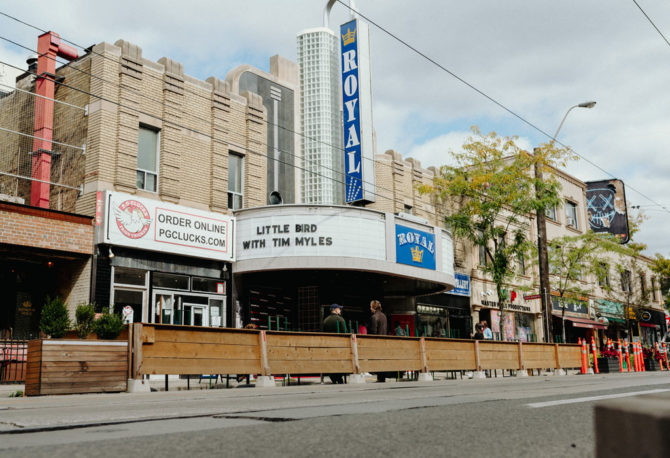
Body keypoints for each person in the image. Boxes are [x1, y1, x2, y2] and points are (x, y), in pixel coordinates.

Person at [323, 304, 346, 384]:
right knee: (339, 361)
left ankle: (333, 375)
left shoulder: (325, 320)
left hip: (329, 345)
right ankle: (339, 376)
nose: (340, 310)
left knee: (332, 360)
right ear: (335, 310)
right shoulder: (340, 320)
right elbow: (345, 333)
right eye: (339, 309)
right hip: (339, 345)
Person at [368, 300, 388, 382]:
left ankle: (380, 377)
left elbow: (373, 331)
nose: (370, 309)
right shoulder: (384, 316)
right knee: (382, 359)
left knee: (378, 359)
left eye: (370, 307)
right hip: (384, 340)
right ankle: (382, 377)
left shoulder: (374, 317)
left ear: (373, 307)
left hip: (377, 341)